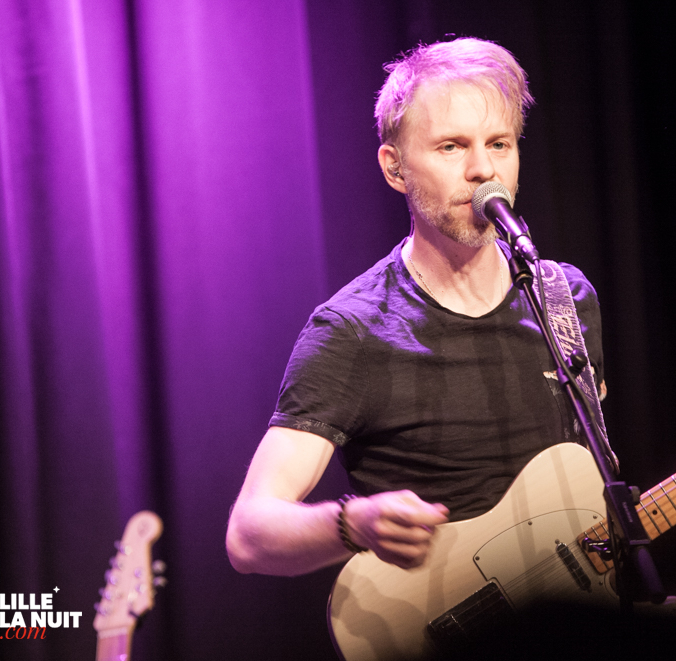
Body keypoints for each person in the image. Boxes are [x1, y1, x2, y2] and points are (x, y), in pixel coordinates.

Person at [226, 37, 605, 578]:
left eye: (499, 144)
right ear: (395, 167)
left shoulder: (567, 300)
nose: (482, 170)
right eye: (451, 146)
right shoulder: (352, 329)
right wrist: (353, 522)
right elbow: (249, 534)